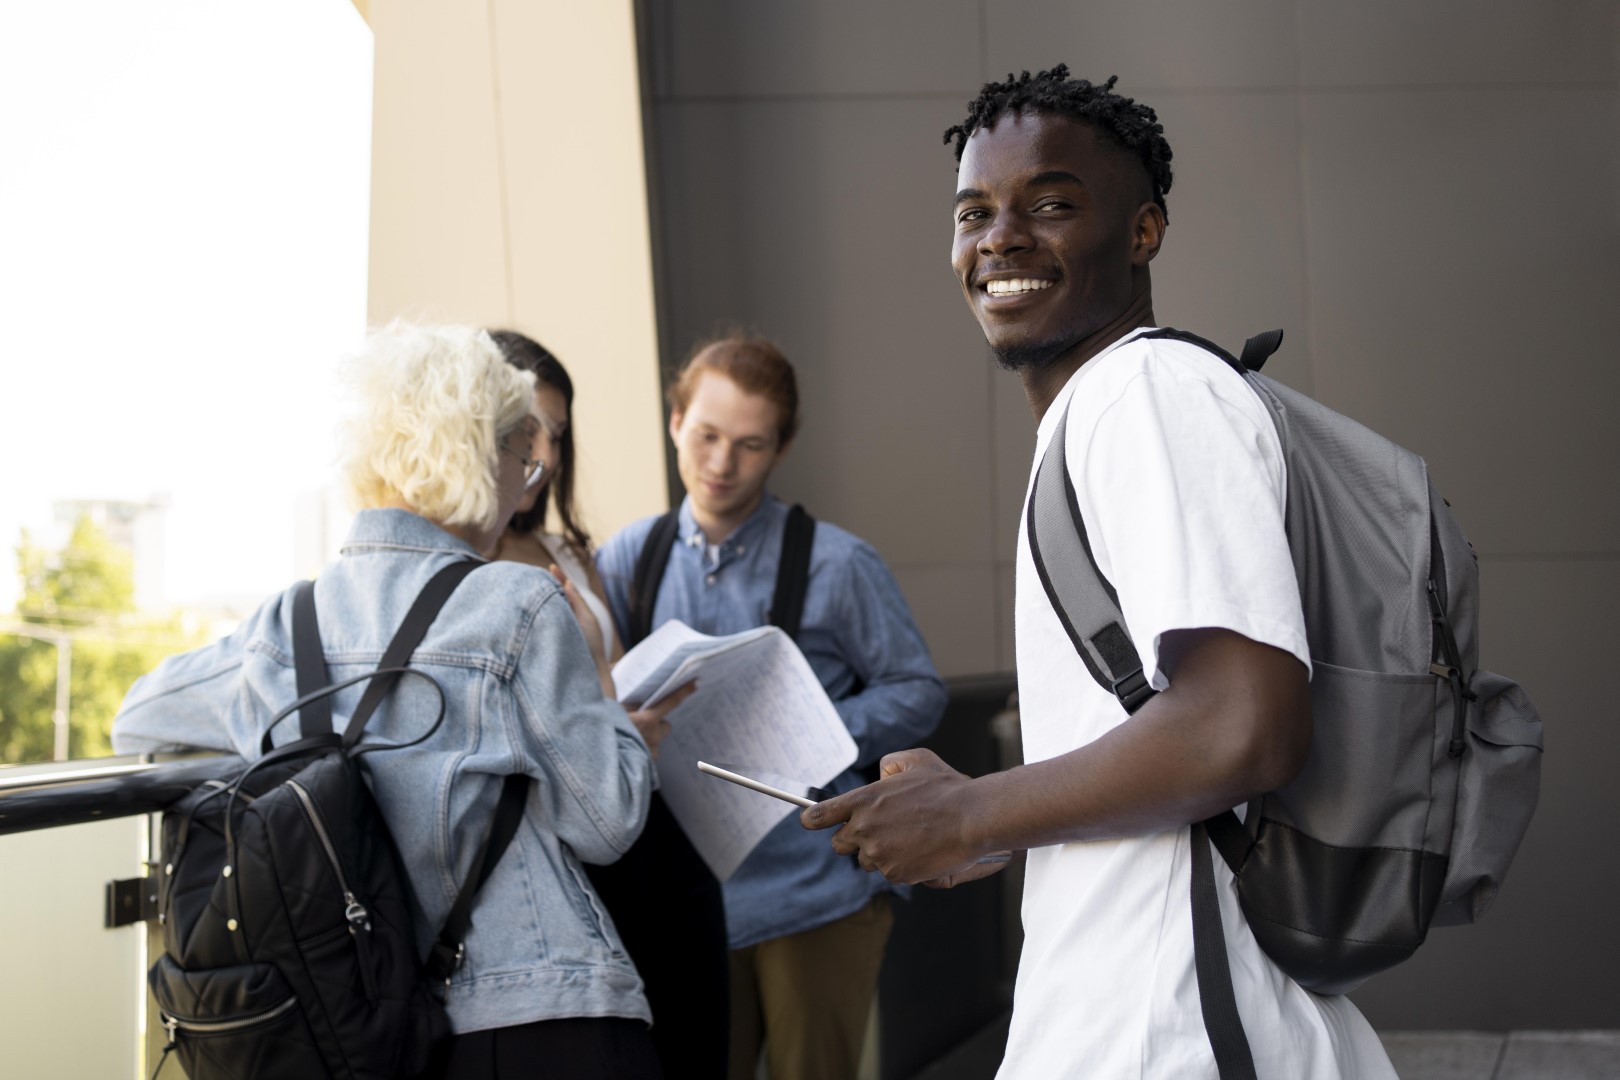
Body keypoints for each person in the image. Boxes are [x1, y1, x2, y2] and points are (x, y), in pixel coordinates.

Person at [801, 67, 1398, 1079]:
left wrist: (969, 814)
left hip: (1171, 1030)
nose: (1000, 238)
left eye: (1051, 203)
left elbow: (1243, 724)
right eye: (975, 212)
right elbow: (1163, 740)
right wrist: (986, 813)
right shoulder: (1104, 411)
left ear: (1143, 233)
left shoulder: (1145, 393)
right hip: (1141, 1017)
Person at [111, 321, 688, 1079]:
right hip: (540, 1012)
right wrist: (610, 699)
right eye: (525, 460)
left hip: (369, 1028)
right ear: (477, 456)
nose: (526, 488)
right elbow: (607, 822)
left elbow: (137, 718)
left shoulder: (289, 625)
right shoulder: (516, 604)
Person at [595, 336, 949, 1080]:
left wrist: (812, 734)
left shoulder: (837, 562)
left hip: (813, 894)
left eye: (750, 445)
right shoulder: (630, 555)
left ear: (782, 448)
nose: (722, 464)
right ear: (675, 422)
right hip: (683, 898)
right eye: (707, 437)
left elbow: (918, 690)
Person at [487, 329, 619, 662]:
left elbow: (620, 670)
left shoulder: (570, 555)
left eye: (557, 437)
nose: (546, 457)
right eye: (527, 432)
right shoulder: (445, 567)